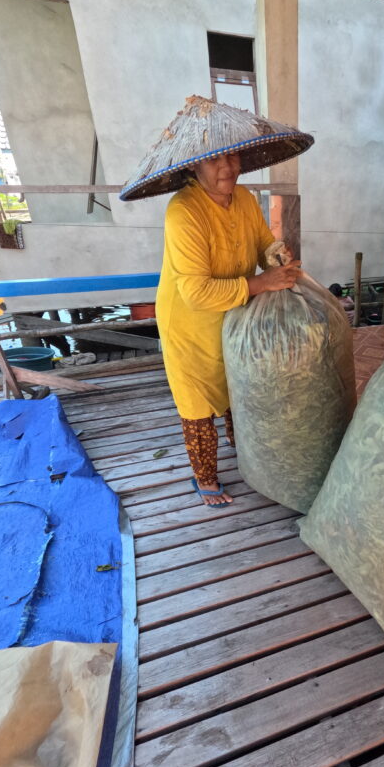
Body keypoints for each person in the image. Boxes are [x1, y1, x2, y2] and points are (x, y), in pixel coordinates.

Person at [120, 95, 314, 507]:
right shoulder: (183, 213)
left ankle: (242, 447)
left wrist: (277, 256)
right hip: (190, 324)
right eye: (215, 160)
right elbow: (195, 290)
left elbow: (262, 243)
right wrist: (263, 284)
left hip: (234, 318)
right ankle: (205, 478)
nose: (228, 168)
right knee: (198, 403)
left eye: (234, 157)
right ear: (193, 164)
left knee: (237, 385)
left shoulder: (243, 199)